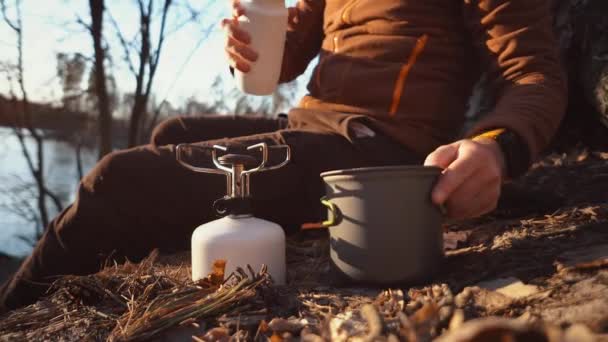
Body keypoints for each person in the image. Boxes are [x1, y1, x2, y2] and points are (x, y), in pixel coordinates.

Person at [0, 0, 566, 313]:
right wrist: (246, 46)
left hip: (376, 147)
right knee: (171, 129)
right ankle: (113, 280)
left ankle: (12, 311)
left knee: (114, 179)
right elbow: (288, 59)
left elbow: (533, 73)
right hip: (310, 123)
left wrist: (498, 147)